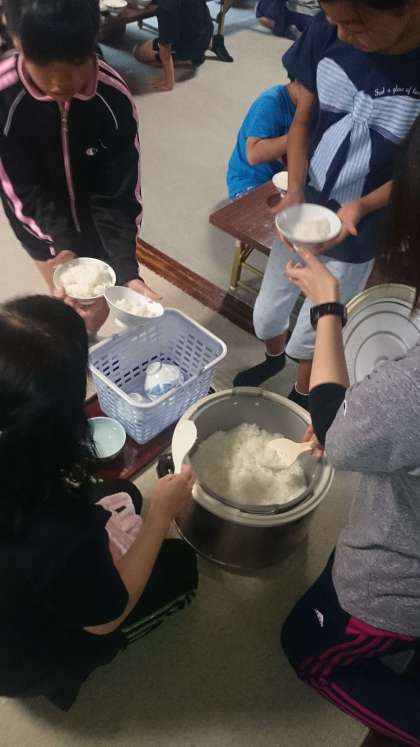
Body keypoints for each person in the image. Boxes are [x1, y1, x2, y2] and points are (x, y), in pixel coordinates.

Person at [281, 115, 420, 747]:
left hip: (400, 577)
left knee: (305, 647)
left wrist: (328, 305)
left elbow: (338, 434)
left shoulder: (408, 389)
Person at [0, 294, 198, 711]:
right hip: (22, 661)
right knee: (182, 567)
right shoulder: (54, 526)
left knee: (123, 492)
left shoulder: (22, 469)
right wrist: (161, 515)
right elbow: (105, 619)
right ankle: (62, 677)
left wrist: (63, 332)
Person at [233, 0, 420, 407]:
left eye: (355, 23)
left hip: (360, 229)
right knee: (267, 312)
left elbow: (414, 176)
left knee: (318, 325)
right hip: (305, 212)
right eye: (332, 19)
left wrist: (362, 206)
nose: (340, 34)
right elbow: (302, 121)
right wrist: (295, 190)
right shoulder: (327, 29)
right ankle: (272, 359)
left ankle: (301, 393)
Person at [0, 0, 159, 335]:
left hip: (96, 223)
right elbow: (21, 189)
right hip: (39, 222)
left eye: (75, 61)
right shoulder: (4, 97)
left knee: (93, 309)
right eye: (42, 61)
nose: (59, 82)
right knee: (65, 305)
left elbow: (119, 194)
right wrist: (62, 245)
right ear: (15, 38)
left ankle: (87, 341)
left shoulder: (113, 99)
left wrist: (126, 269)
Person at [226, 81, 298, 200]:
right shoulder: (271, 102)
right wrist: (300, 135)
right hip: (248, 181)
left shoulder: (311, 108)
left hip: (280, 181)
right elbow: (253, 154)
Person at [133, 0, 214, 92]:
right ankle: (198, 50)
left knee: (138, 52)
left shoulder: (167, 7)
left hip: (191, 46)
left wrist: (169, 82)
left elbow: (165, 48)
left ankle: (188, 60)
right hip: (206, 35)